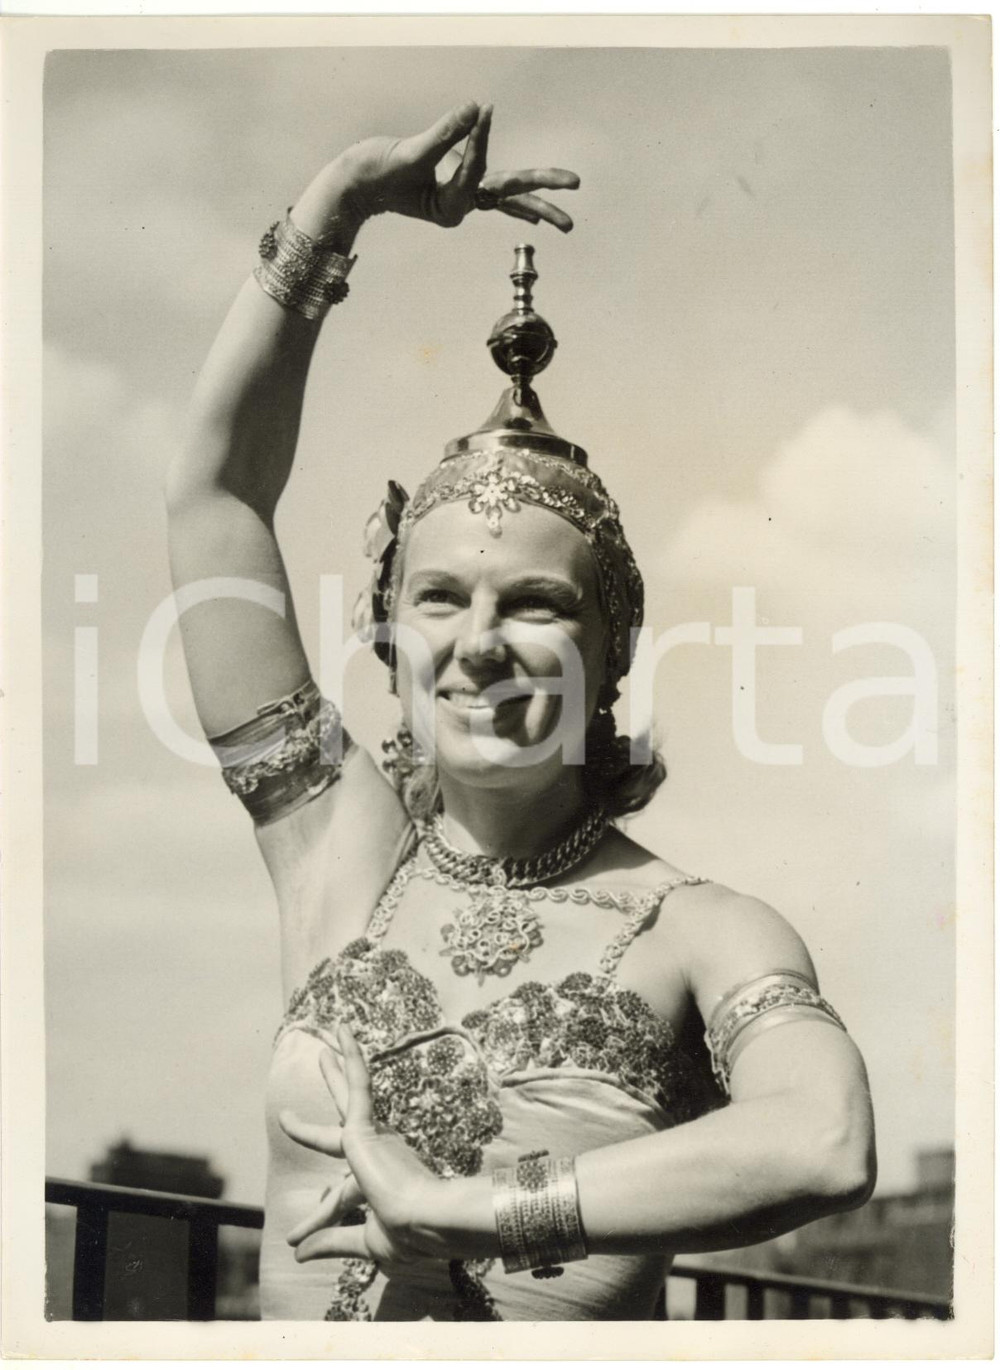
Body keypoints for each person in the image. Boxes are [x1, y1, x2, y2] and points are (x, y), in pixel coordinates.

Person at [165, 101, 876, 1322]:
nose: (481, 641)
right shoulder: (335, 853)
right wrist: (335, 209)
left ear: (609, 657)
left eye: (538, 603)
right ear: (388, 638)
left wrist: (477, 1211)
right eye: (439, 596)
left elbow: (822, 1139)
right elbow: (216, 496)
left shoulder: (696, 925)